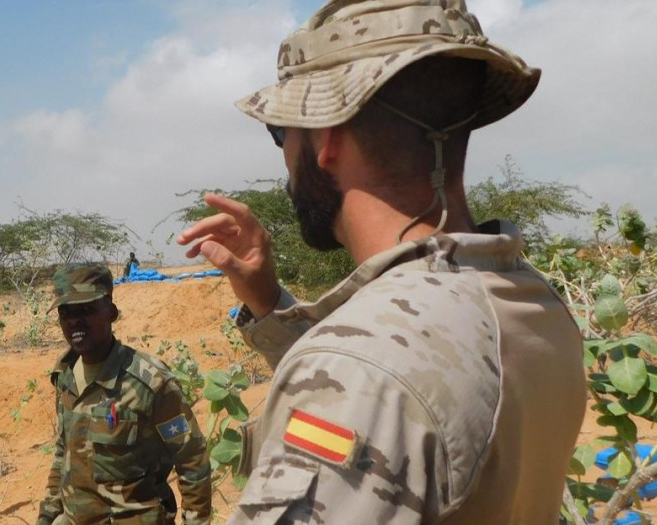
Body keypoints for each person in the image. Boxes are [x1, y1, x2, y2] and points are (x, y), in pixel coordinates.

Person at [175, 1, 586, 523]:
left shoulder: (358, 370)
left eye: (282, 132)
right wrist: (267, 302)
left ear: (326, 138)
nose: (283, 154)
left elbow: (377, 378)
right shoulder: (534, 302)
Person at [37, 263, 212, 525]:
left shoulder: (150, 382)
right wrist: (47, 516)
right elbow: (63, 453)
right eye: (66, 312)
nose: (75, 321)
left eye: (86, 309)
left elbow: (192, 458)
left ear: (111, 312)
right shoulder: (65, 376)